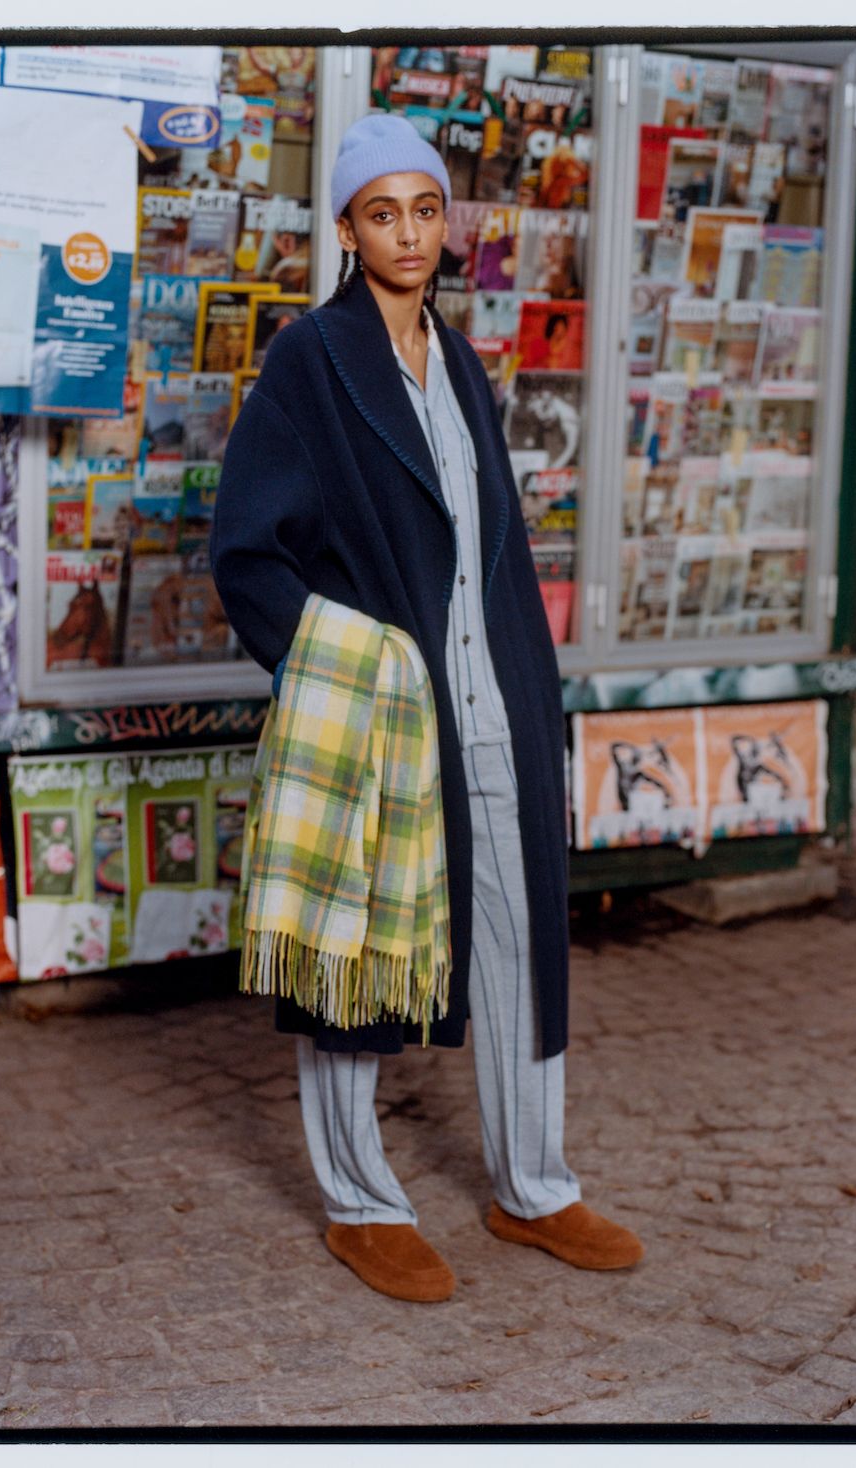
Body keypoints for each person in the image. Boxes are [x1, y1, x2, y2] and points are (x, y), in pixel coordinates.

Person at [210, 112, 643, 1304]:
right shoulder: (310, 362)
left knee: (516, 939)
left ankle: (534, 1185)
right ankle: (361, 1201)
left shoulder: (462, 365)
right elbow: (247, 553)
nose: (408, 232)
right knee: (358, 950)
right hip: (382, 722)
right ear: (346, 227)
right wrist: (348, 659)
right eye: (381, 211)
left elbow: (488, 555)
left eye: (425, 208)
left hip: (495, 708)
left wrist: (521, 681)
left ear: (447, 223)